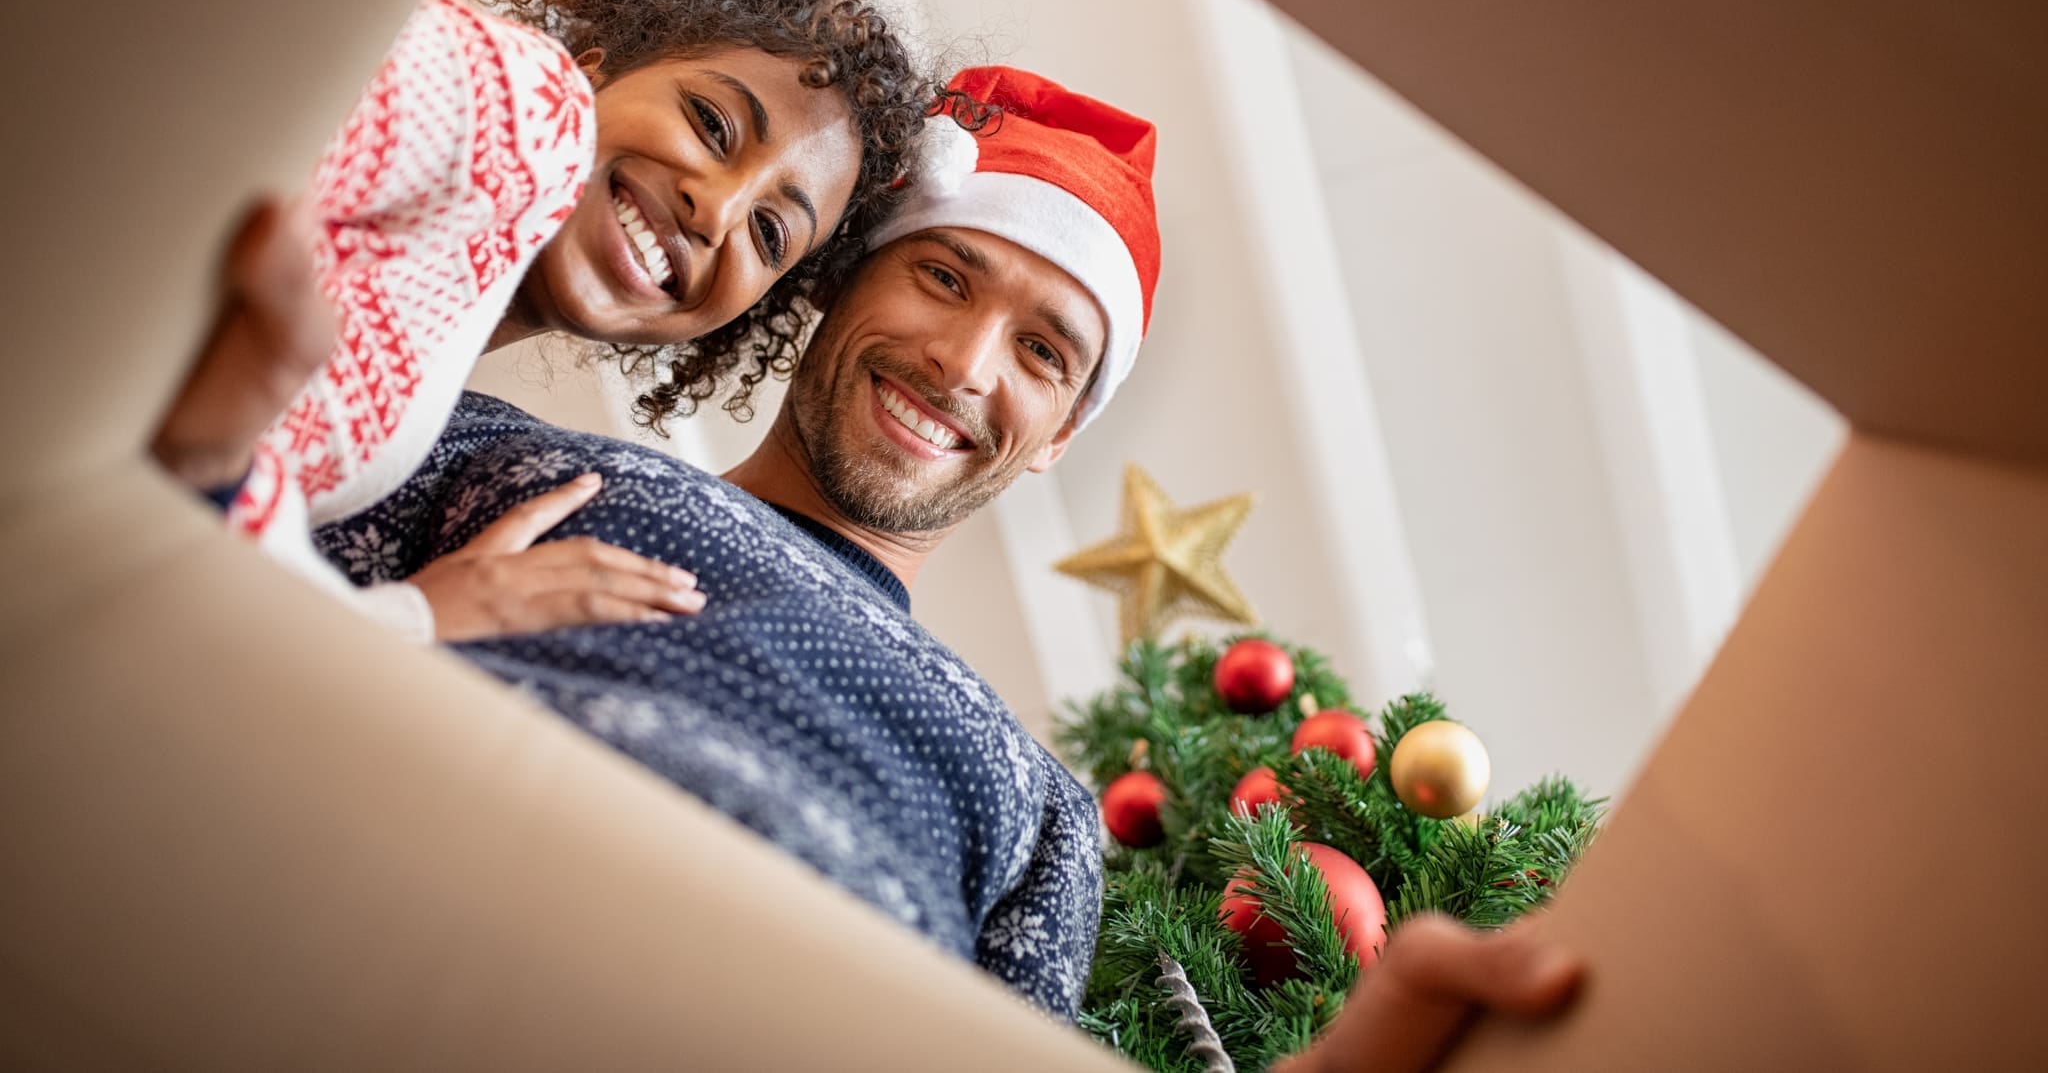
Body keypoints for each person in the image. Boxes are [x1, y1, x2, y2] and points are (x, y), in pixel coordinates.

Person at [315, 67, 1585, 1064]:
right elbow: (217, 556)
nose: (966, 366)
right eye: (940, 276)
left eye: (1043, 355)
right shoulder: (509, 454)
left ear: (1057, 443)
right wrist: (407, 626)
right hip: (411, 903)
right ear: (836, 283)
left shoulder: (1045, 810)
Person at [150, 0, 938, 643]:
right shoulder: (522, 107)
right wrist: (417, 615)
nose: (718, 210)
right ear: (593, 69)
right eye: (712, 123)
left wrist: (413, 614)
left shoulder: (440, 368)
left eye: (770, 233)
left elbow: (199, 534)